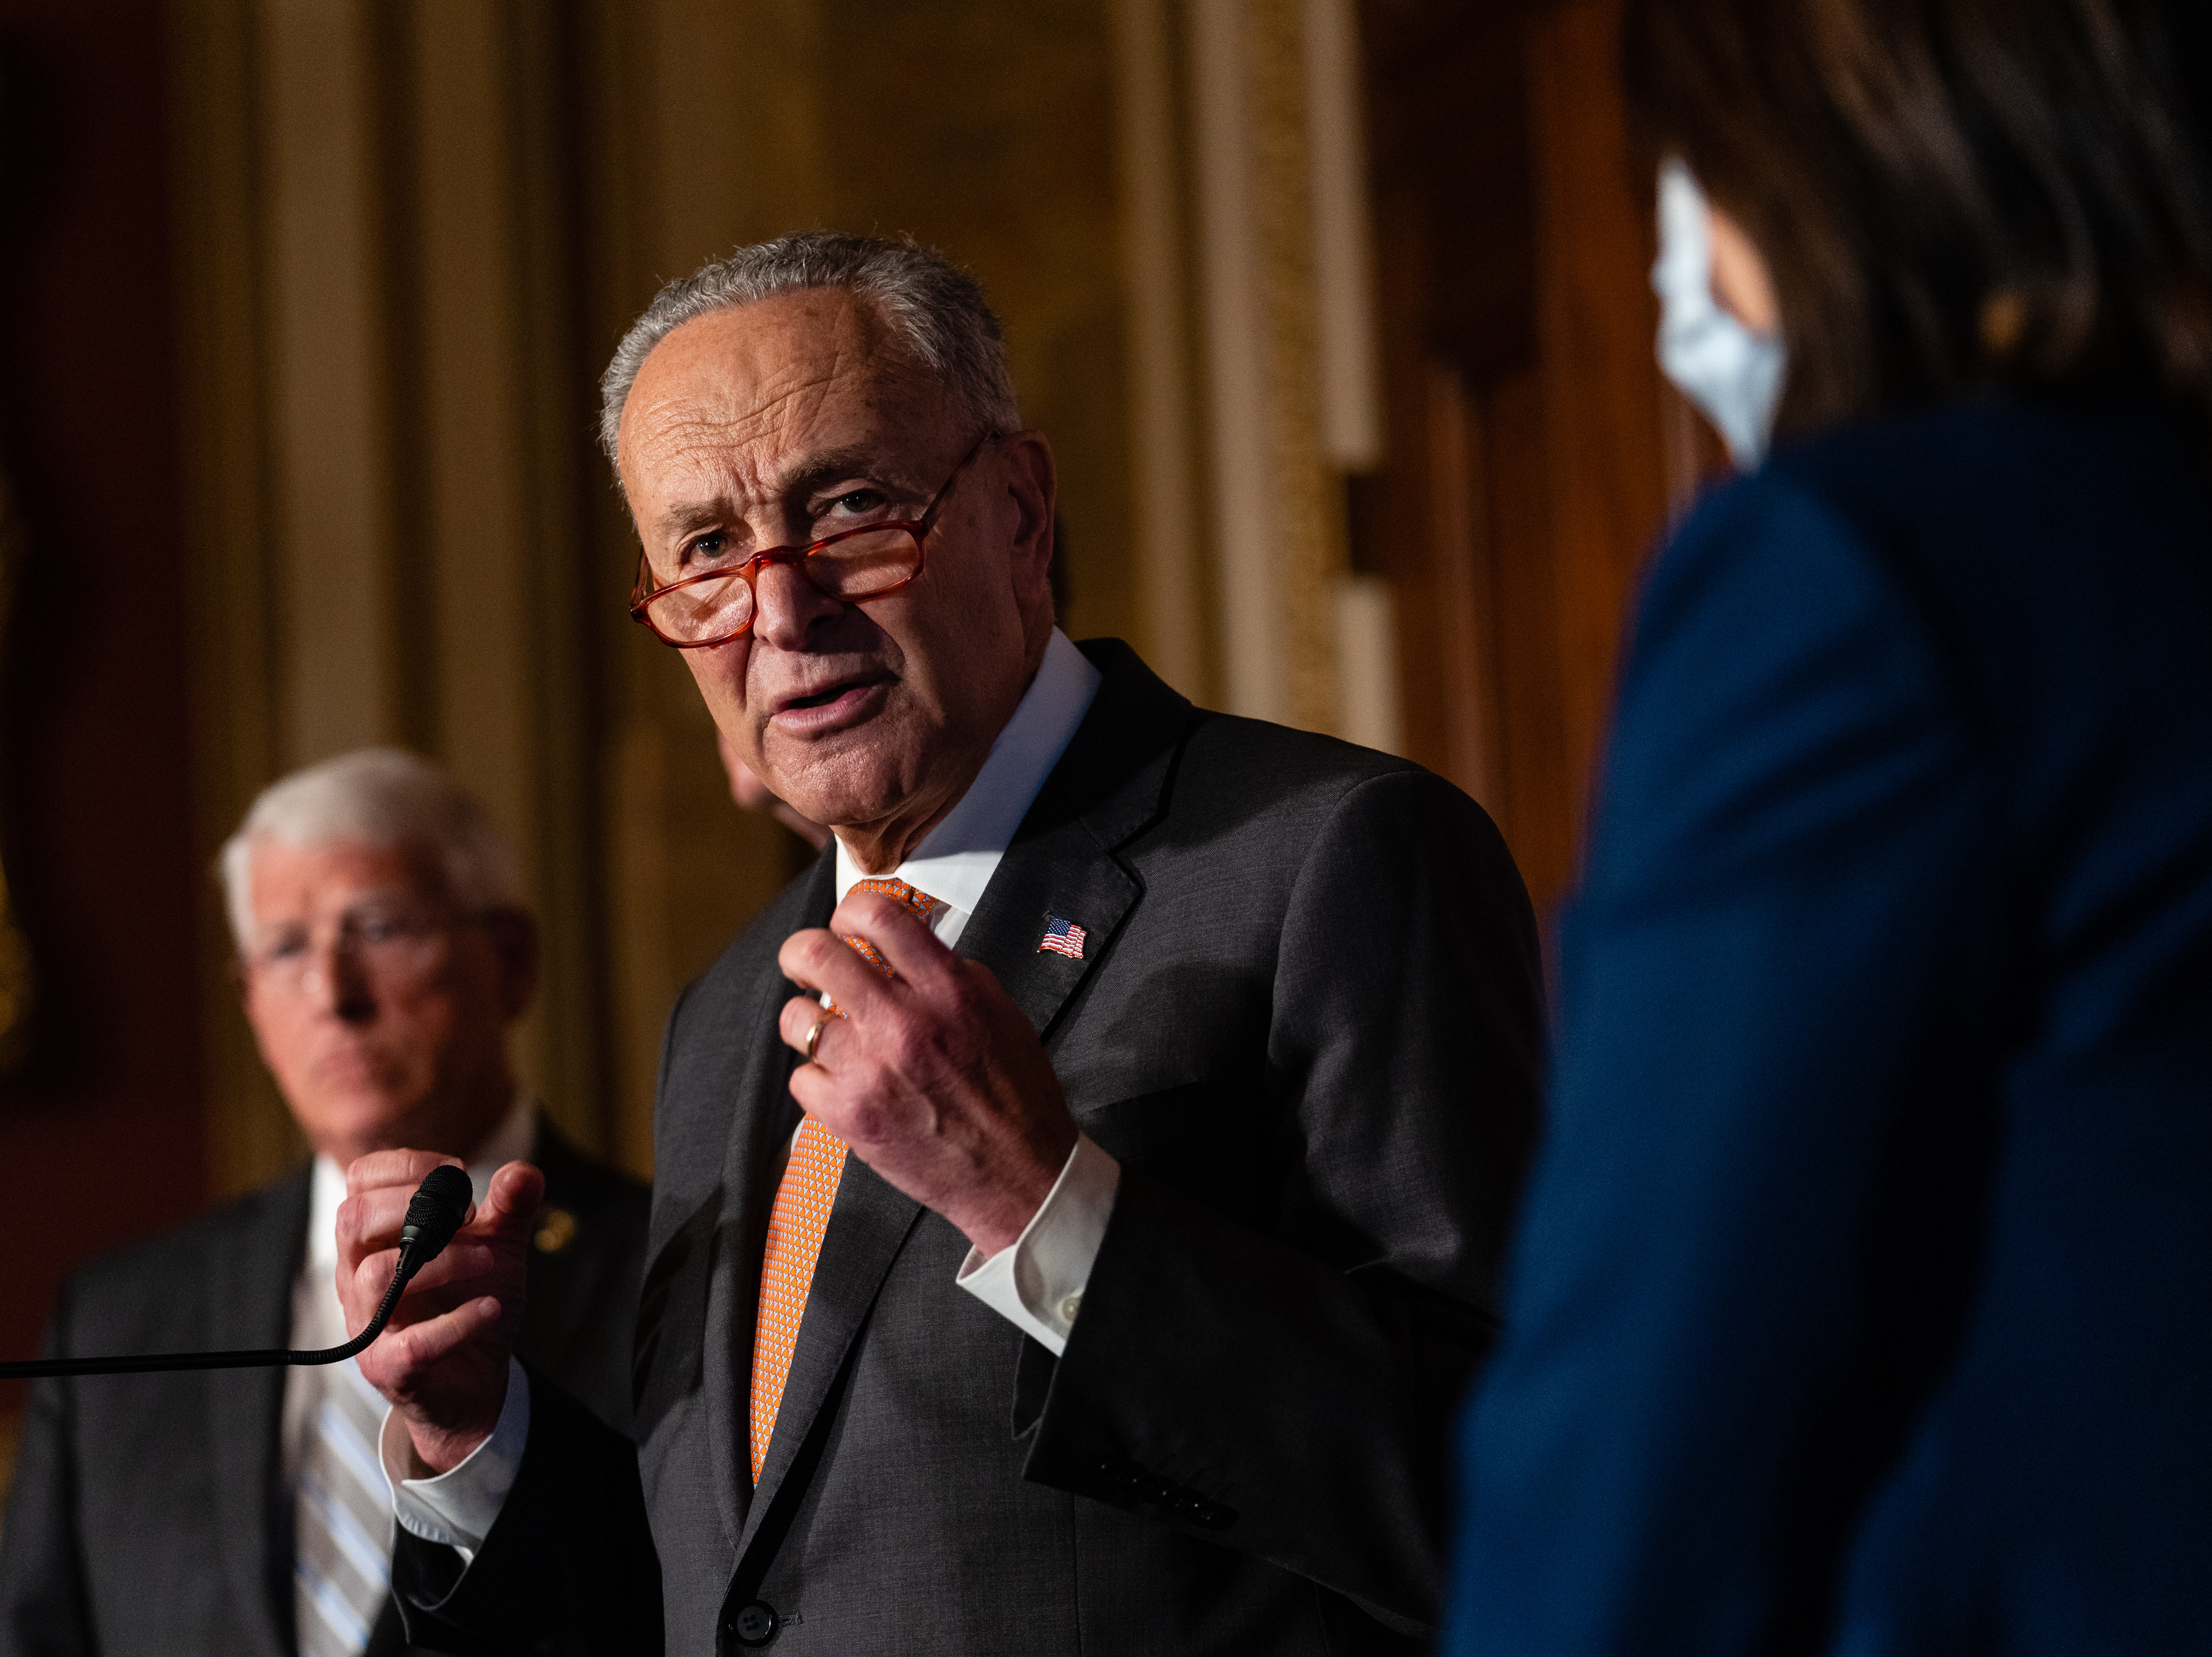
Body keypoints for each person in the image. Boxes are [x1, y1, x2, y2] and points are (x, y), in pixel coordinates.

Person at [339, 234, 1545, 1656]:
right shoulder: (727, 1005)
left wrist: (1043, 1205)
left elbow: (1516, 1496)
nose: (780, 610)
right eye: (707, 551)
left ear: (1022, 511)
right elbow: (744, 1594)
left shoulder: (1328, 857)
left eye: (850, 508)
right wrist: (472, 1433)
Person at [1447, 2, 2212, 1652]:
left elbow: (1644, 1448)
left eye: (1688, 172)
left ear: (1819, 158)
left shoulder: (1847, 579)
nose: (1679, 270)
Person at [0, 749, 651, 1657]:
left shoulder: (674, 1271)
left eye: (380, 928)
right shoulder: (117, 1321)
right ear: (250, 1004)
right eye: (286, 948)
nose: (333, 995)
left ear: (511, 960)